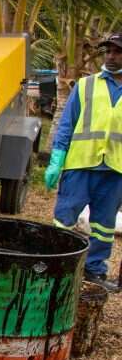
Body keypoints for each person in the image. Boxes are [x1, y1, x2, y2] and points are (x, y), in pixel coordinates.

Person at [45, 33, 122, 291]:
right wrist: (57, 157)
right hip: (80, 165)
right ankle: (55, 263)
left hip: (115, 169)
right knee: (65, 217)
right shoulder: (86, 85)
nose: (111, 56)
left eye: (117, 51)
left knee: (103, 225)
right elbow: (67, 124)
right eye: (108, 51)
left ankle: (94, 269)